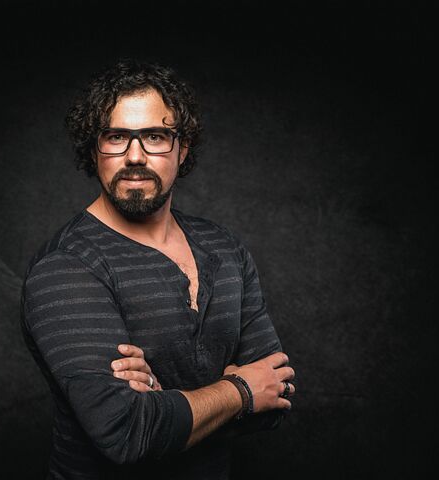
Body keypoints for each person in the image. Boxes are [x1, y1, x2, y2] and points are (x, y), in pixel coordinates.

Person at [19, 59, 295, 480]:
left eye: (154, 136)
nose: (135, 156)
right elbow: (127, 433)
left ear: (182, 149)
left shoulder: (225, 248)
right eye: (116, 137)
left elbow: (276, 393)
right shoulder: (65, 268)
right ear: (93, 149)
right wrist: (239, 391)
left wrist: (166, 405)